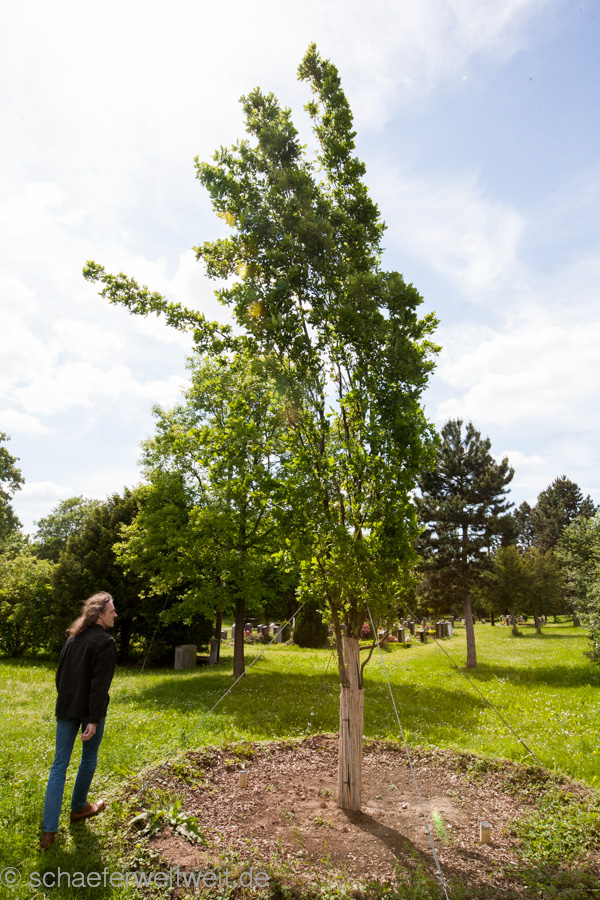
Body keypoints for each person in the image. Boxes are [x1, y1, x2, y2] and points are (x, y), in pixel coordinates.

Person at [38, 592, 117, 851]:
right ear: (99, 614)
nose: (115, 614)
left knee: (58, 765)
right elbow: (100, 685)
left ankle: (48, 833)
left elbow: (59, 677)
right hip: (89, 712)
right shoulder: (106, 642)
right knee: (88, 757)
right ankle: (79, 808)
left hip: (66, 708)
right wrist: (93, 719)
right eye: (112, 611)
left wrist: (68, 702)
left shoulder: (73, 639)